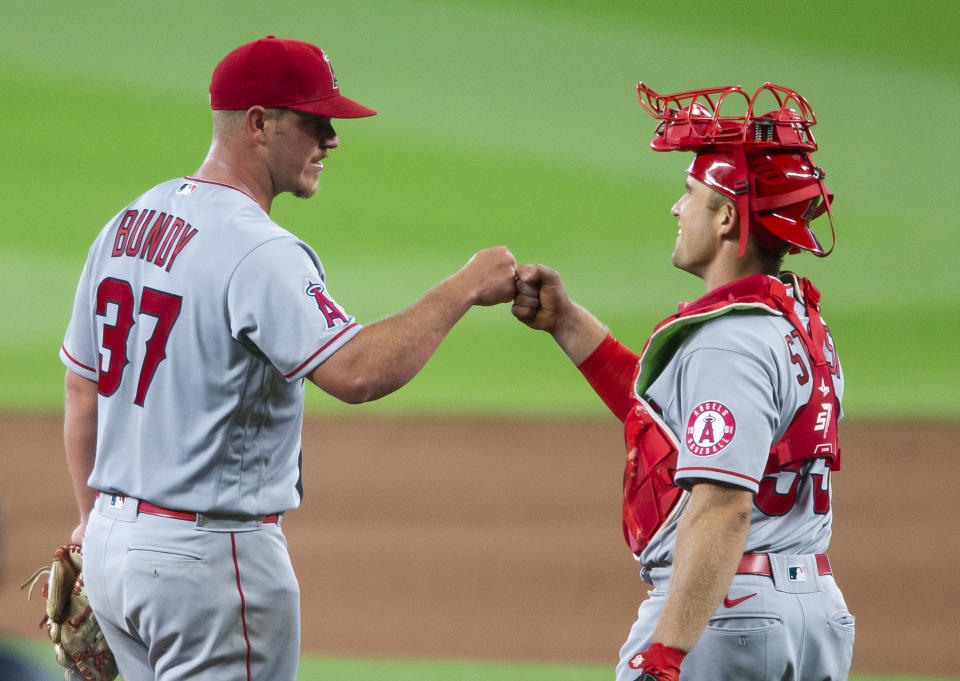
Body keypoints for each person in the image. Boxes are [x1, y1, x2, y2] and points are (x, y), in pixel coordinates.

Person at [59, 35, 516, 681]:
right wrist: (466, 284)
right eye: (314, 122)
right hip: (208, 565)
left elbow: (82, 388)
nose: (331, 139)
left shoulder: (129, 221)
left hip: (111, 546)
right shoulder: (258, 249)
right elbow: (358, 371)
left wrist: (89, 523)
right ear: (257, 123)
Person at [512, 82, 855, 681]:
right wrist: (567, 323)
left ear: (726, 218)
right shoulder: (798, 326)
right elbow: (686, 432)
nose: (677, 208)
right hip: (814, 613)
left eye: (690, 194)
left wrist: (665, 653)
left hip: (726, 617)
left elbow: (723, 506)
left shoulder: (728, 340)